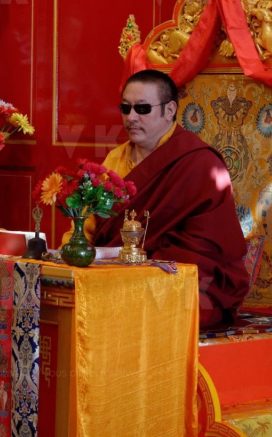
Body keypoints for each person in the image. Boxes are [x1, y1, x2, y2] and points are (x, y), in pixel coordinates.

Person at [66, 69, 250, 328]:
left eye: (142, 109)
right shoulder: (114, 161)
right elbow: (88, 228)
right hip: (112, 275)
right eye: (125, 108)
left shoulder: (201, 164)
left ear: (170, 109)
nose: (131, 118)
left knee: (144, 311)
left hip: (180, 281)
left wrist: (144, 265)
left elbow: (207, 248)